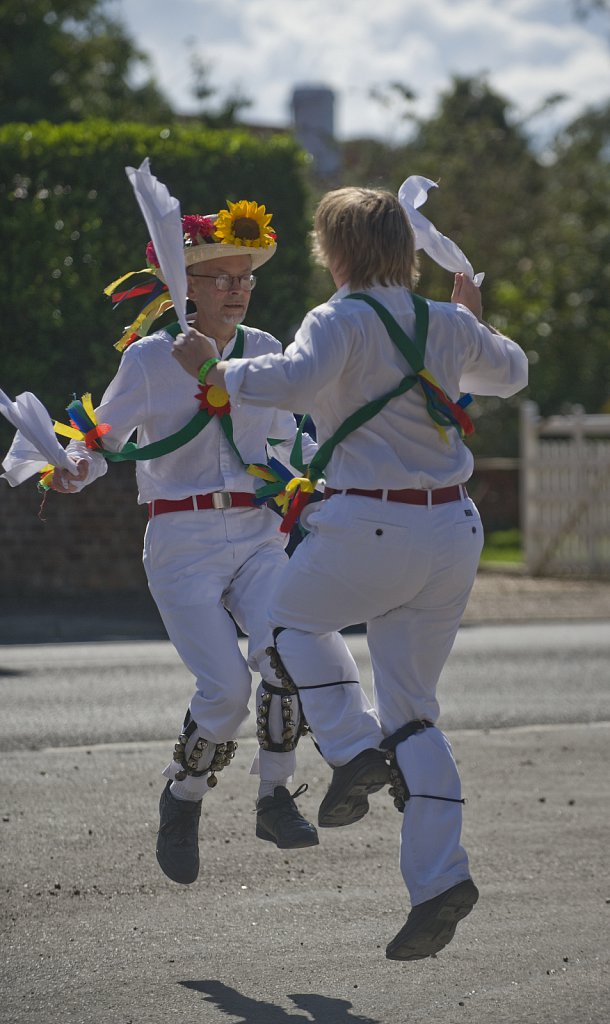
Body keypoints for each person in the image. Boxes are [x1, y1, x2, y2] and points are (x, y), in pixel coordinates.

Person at [171, 185, 529, 958]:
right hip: (453, 529)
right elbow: (513, 373)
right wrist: (472, 314)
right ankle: (439, 878)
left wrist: (216, 369)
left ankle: (353, 747)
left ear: (336, 252)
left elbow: (290, 384)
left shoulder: (336, 318)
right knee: (418, 712)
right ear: (406, 250)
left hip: (370, 519)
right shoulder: (444, 320)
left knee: (286, 623)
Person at [50, 198, 321, 886]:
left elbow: (293, 439)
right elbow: (101, 439)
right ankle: (184, 793)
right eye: (223, 277)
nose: (237, 289)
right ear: (187, 287)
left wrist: (313, 478)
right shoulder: (148, 359)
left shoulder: (265, 351)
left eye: (245, 277)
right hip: (182, 539)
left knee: (289, 652)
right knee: (226, 691)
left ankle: (274, 795)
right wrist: (75, 468)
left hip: (259, 537)